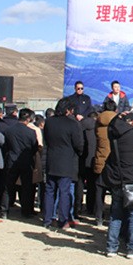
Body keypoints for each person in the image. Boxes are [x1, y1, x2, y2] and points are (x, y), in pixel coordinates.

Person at [104, 112, 133, 258]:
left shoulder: (114, 135)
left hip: (117, 179)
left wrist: (117, 116)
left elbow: (111, 125)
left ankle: (111, 247)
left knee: (115, 215)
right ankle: (132, 248)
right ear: (131, 122)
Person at [42, 98, 84, 230]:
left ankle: (47, 219)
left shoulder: (49, 122)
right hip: (66, 161)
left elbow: (46, 139)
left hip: (51, 159)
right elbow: (78, 144)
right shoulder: (72, 124)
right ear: (68, 110)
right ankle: (63, 220)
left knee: (49, 191)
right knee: (64, 192)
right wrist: (79, 152)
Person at [3, 108, 40, 218]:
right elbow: (34, 147)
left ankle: (4, 209)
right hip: (26, 160)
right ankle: (26, 211)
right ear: (28, 119)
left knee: (8, 186)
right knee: (27, 187)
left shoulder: (9, 130)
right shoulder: (31, 132)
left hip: (11, 159)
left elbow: (6, 145)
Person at [93, 100, 118, 226]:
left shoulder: (98, 122)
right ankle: (114, 217)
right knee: (115, 191)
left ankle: (98, 217)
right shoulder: (118, 123)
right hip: (113, 160)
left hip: (100, 159)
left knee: (99, 190)